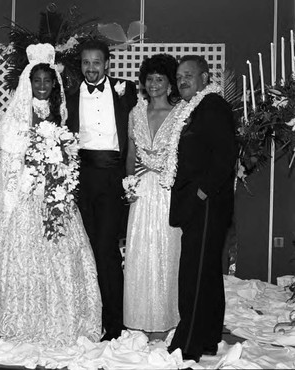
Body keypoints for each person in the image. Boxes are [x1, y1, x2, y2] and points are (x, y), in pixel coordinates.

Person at [0, 43, 102, 347]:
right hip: (26, 193)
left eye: (48, 81)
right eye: (38, 81)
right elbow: (8, 160)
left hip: (55, 194)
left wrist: (59, 169)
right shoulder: (15, 117)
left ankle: (64, 317)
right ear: (28, 82)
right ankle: (23, 319)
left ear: (54, 84)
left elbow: (68, 152)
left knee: (62, 254)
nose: (43, 86)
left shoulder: (59, 114)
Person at [66, 39, 138, 341]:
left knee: (107, 249)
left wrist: (131, 176)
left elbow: (138, 132)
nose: (91, 68)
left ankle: (115, 321)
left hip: (112, 177)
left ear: (107, 64)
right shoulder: (70, 95)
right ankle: (90, 316)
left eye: (96, 62)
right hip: (82, 178)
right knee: (87, 250)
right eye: (86, 63)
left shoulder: (126, 90)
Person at [167, 55, 237, 362]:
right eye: (179, 76)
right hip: (197, 204)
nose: (182, 80)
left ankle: (189, 342)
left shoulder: (212, 107)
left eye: (189, 75)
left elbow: (226, 154)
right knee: (207, 273)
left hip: (207, 204)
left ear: (205, 77)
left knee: (194, 273)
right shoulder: (191, 108)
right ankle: (208, 337)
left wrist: (202, 192)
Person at [123, 54, 182, 336]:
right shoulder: (136, 113)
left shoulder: (181, 113)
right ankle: (138, 319)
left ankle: (166, 319)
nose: (154, 84)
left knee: (167, 254)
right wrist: (129, 185)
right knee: (139, 253)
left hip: (169, 190)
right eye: (150, 78)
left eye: (160, 79)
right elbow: (131, 154)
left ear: (170, 83)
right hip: (142, 190)